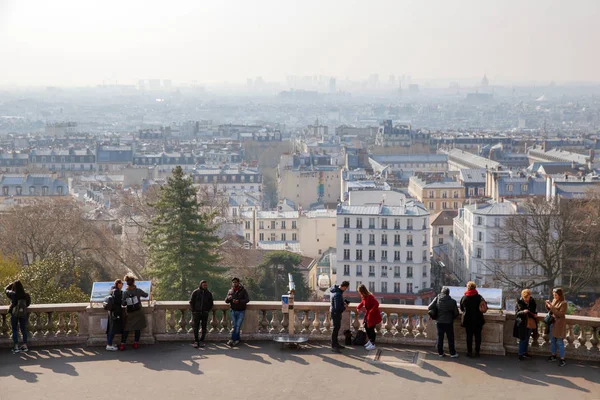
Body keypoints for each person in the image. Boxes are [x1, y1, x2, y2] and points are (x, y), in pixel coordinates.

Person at [430, 287, 459, 358]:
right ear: (448, 293)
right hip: (449, 322)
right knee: (450, 338)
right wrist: (452, 318)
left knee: (440, 338)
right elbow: (456, 313)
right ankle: (452, 353)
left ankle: (440, 353)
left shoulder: (438, 299)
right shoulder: (453, 301)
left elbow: (429, 307)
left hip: (439, 322)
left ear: (442, 292)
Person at [121, 275, 148, 351]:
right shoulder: (138, 290)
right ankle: (136, 343)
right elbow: (146, 295)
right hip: (138, 312)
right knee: (138, 328)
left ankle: (123, 344)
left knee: (126, 328)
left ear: (127, 283)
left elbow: (123, 304)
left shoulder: (125, 292)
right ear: (133, 282)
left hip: (129, 313)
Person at [460, 281, 486, 358]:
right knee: (478, 337)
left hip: (468, 320)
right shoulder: (479, 297)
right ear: (475, 287)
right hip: (478, 320)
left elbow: (461, 309)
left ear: (467, 288)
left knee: (469, 337)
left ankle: (469, 352)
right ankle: (477, 352)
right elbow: (484, 306)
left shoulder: (464, 297)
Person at [5, 280, 31, 353]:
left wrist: (11, 284)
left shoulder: (12, 294)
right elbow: (28, 304)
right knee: (23, 329)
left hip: (14, 314)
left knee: (14, 329)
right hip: (23, 314)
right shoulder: (26, 295)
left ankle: (16, 347)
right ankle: (25, 346)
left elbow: (5, 289)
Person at [513, 288, 538, 361]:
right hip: (522, 323)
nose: (527, 299)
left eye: (528, 297)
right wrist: (523, 312)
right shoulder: (519, 302)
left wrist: (535, 314)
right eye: (526, 297)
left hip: (530, 322)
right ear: (523, 296)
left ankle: (524, 352)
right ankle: (520, 354)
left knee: (527, 339)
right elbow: (517, 313)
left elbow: (534, 310)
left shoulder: (532, 301)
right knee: (522, 339)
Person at [545, 288, 568, 367]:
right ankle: (553, 355)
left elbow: (560, 314)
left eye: (556, 295)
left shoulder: (564, 303)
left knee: (560, 342)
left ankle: (562, 359)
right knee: (553, 341)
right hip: (552, 323)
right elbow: (551, 311)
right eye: (553, 295)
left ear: (560, 295)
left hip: (559, 325)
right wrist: (548, 305)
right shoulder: (554, 300)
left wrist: (551, 306)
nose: (554, 296)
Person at [225, 277, 250, 347]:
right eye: (233, 282)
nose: (234, 283)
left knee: (237, 326)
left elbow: (247, 300)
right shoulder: (230, 291)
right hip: (233, 310)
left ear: (238, 283)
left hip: (241, 311)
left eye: (236, 282)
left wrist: (239, 301)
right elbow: (226, 301)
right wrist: (228, 298)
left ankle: (232, 339)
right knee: (234, 326)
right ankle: (237, 339)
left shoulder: (243, 290)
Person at [189, 280, 214, 348]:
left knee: (204, 327)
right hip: (196, 313)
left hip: (204, 313)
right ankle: (196, 341)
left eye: (206, 285)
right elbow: (191, 302)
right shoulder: (195, 292)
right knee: (196, 327)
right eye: (203, 285)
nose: (205, 286)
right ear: (201, 285)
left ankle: (202, 340)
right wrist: (193, 311)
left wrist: (207, 310)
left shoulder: (208, 293)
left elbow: (211, 303)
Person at [357, 284, 382, 351]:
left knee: (371, 329)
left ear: (362, 291)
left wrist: (371, 311)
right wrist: (358, 307)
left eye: (359, 291)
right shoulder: (364, 297)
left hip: (373, 315)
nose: (359, 293)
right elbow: (362, 302)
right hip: (368, 315)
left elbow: (376, 304)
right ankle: (370, 341)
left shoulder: (370, 296)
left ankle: (373, 344)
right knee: (366, 327)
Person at [330, 280, 349, 353]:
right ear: (344, 287)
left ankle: (336, 344)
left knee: (336, 329)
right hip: (336, 313)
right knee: (335, 329)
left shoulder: (335, 291)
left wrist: (342, 303)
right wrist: (345, 306)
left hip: (334, 313)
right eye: (346, 288)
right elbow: (338, 307)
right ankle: (334, 346)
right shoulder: (338, 294)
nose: (345, 290)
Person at [106, 279, 124, 351]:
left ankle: (109, 343)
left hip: (111, 312)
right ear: (118, 284)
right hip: (116, 313)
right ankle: (109, 345)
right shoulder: (117, 292)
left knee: (110, 328)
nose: (122, 285)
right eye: (121, 283)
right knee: (112, 329)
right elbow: (120, 302)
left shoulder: (112, 290)